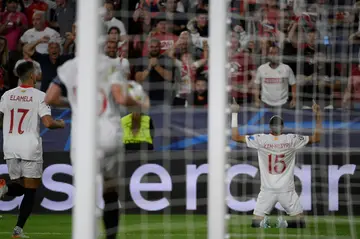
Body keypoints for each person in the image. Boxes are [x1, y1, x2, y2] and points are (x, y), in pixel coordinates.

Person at [45, 54, 149, 239]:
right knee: (110, 191)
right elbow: (121, 98)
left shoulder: (70, 66)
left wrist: (73, 103)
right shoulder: (109, 65)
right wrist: (141, 103)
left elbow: (51, 97)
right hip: (108, 136)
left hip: (82, 140)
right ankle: (110, 236)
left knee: (86, 192)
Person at [230, 99, 322, 228]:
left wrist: (234, 113)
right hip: (286, 189)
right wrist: (318, 116)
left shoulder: (261, 139)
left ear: (270, 127)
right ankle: (284, 224)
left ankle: (263, 223)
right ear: (282, 127)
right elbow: (317, 138)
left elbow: (235, 137)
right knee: (300, 223)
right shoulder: (292, 139)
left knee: (255, 223)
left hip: (267, 189)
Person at [0, 61, 65, 238]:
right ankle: (17, 230)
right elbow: (48, 123)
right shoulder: (39, 96)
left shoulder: (7, 95)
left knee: (18, 187)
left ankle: (3, 189)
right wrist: (60, 124)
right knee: (29, 190)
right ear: (31, 75)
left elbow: (1, 119)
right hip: (29, 147)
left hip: (10, 146)